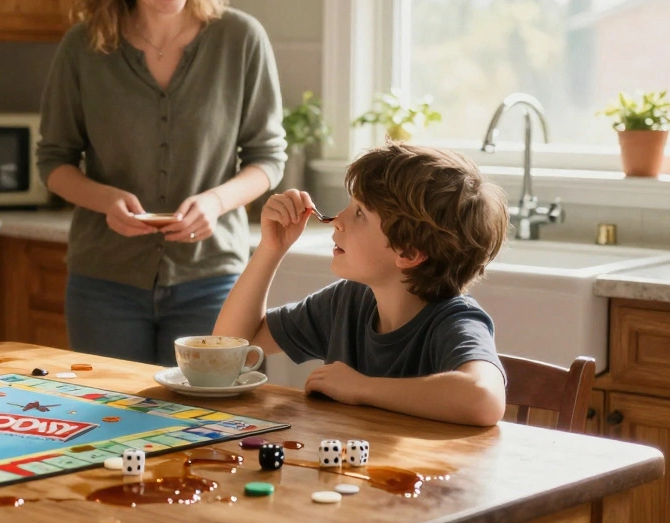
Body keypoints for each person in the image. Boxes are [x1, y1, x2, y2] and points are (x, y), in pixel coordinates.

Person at [37, 0, 287, 365]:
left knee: (207, 425)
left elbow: (268, 157)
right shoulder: (83, 48)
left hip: (213, 279)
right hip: (102, 285)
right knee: (108, 425)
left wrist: (215, 202)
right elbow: (54, 161)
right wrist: (105, 200)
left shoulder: (241, 39)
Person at [213, 142, 510, 426]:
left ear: (407, 252)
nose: (337, 220)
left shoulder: (455, 321)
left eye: (359, 213)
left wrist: (362, 387)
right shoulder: (349, 301)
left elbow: (484, 399)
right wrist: (271, 248)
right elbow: (228, 347)